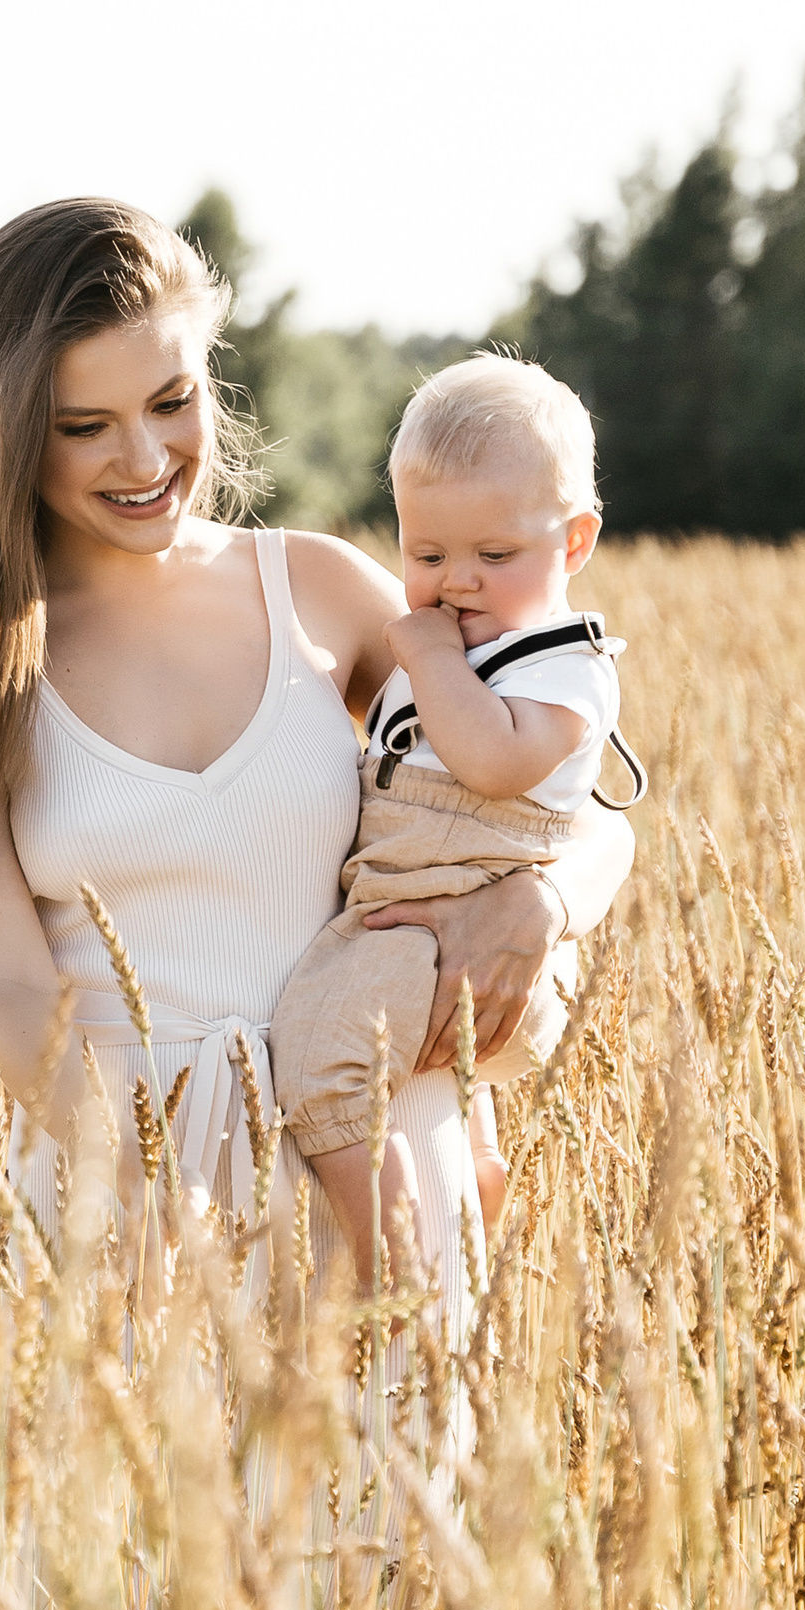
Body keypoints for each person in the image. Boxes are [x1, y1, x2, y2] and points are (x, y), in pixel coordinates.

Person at [0, 198, 633, 1305]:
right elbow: (16, 996)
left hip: (380, 1152)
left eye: (172, 400)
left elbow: (573, 798)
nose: (145, 456)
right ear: (6, 429)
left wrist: (542, 907)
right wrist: (153, 1209)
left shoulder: (315, 591)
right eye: (84, 425)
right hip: (131, 1205)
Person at [270, 351, 642, 1278]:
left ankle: (392, 1258)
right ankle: (474, 1167)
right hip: (409, 915)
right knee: (415, 1057)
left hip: (456, 927)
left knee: (318, 1063)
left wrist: (429, 659)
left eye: (494, 555)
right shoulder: (457, 645)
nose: (457, 582)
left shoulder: (563, 666)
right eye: (427, 556)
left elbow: (491, 759)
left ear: (576, 543)